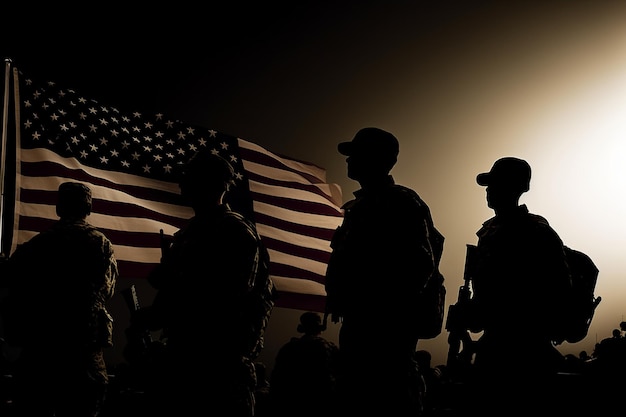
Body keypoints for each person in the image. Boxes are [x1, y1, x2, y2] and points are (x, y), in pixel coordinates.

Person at [131, 150, 275, 416]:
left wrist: (175, 281)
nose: (182, 183)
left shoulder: (233, 230)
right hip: (185, 359)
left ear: (211, 184)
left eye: (189, 177)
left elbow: (229, 297)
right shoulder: (192, 231)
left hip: (218, 365)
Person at [324, 127, 445, 416]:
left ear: (375, 158)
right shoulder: (361, 206)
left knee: (387, 405)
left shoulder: (400, 202)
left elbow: (420, 265)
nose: (348, 160)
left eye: (355, 154)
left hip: (385, 334)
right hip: (360, 325)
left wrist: (381, 307)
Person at [0, 182, 118, 417]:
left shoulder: (38, 244)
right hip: (84, 353)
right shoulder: (101, 244)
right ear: (88, 208)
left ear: (59, 207)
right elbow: (108, 289)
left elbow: (10, 279)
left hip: (43, 351)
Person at [466, 157, 572, 412]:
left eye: (496, 184)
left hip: (526, 349)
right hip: (494, 345)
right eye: (489, 186)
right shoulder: (489, 232)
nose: (489, 192)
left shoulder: (536, 232)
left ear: (516, 188)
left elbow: (558, 289)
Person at [269, 311, 340, 417]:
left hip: (291, 404)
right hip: (320, 405)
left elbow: (277, 378)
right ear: (319, 328)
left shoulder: (289, 348)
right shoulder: (329, 348)